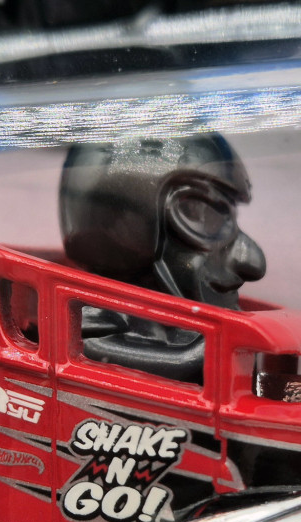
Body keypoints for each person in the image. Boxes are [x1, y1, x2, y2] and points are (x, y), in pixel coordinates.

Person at [59, 133, 266, 383]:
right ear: (129, 222)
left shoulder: (171, 318)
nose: (251, 262)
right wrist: (203, 354)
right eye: (197, 213)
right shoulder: (94, 311)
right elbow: (89, 349)